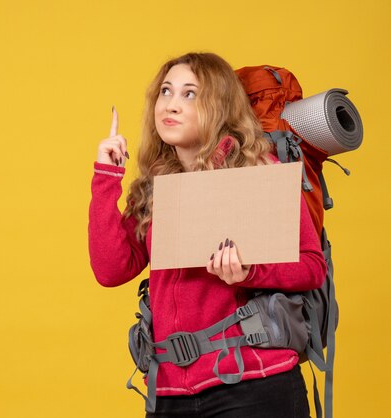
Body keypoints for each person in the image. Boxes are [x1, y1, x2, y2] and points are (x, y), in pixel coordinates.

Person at [88, 52, 327, 418]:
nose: (171, 104)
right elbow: (111, 270)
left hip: (253, 385)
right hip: (168, 392)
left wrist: (250, 273)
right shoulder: (154, 188)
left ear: (219, 106)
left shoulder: (258, 169)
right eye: (166, 92)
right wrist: (107, 177)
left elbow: (312, 267)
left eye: (189, 94)